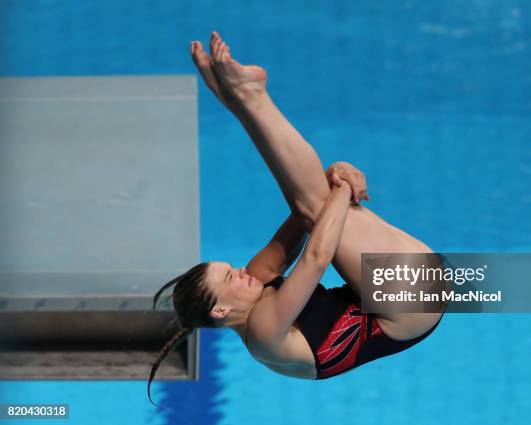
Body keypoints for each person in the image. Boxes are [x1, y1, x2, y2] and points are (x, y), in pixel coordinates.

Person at [148, 31, 443, 405]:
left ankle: (240, 100)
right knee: (318, 205)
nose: (240, 271)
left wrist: (334, 175)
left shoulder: (256, 279)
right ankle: (249, 98)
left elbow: (303, 210)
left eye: (230, 267)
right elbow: (317, 257)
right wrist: (343, 185)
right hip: (412, 301)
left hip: (396, 291)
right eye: (229, 277)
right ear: (221, 309)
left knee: (309, 204)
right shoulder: (263, 333)